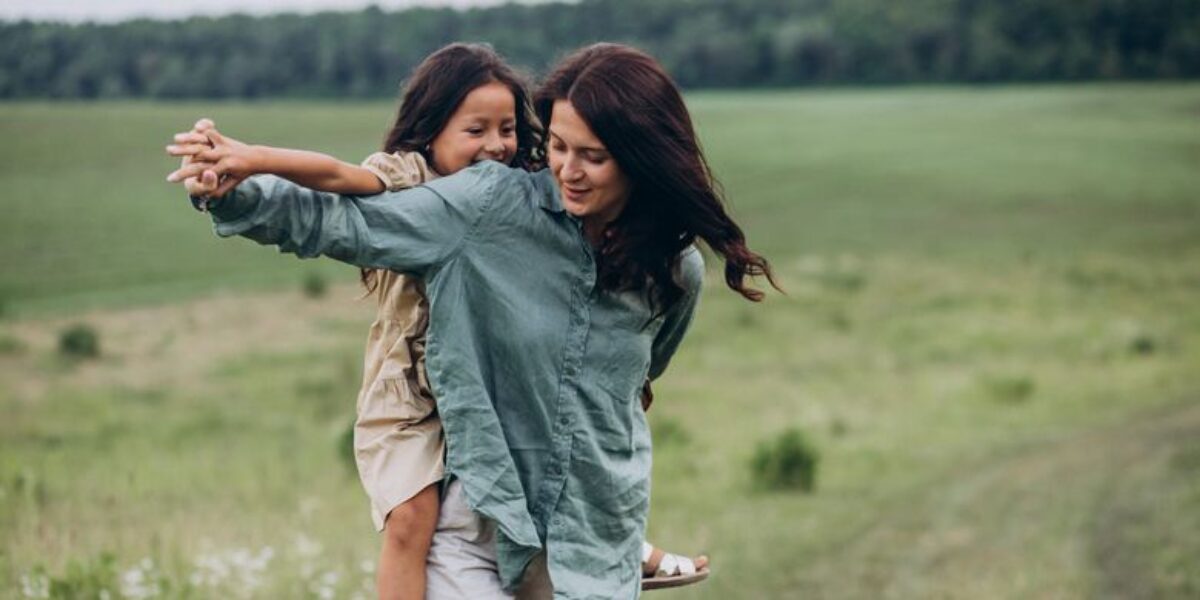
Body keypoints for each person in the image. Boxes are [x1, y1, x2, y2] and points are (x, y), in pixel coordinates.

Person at [167, 43, 774, 599]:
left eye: (594, 156)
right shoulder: (488, 207)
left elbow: (639, 382)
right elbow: (345, 224)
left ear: (643, 159)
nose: (567, 170)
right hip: (480, 525)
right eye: (559, 147)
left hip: (593, 537)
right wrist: (232, 192)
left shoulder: (675, 272)